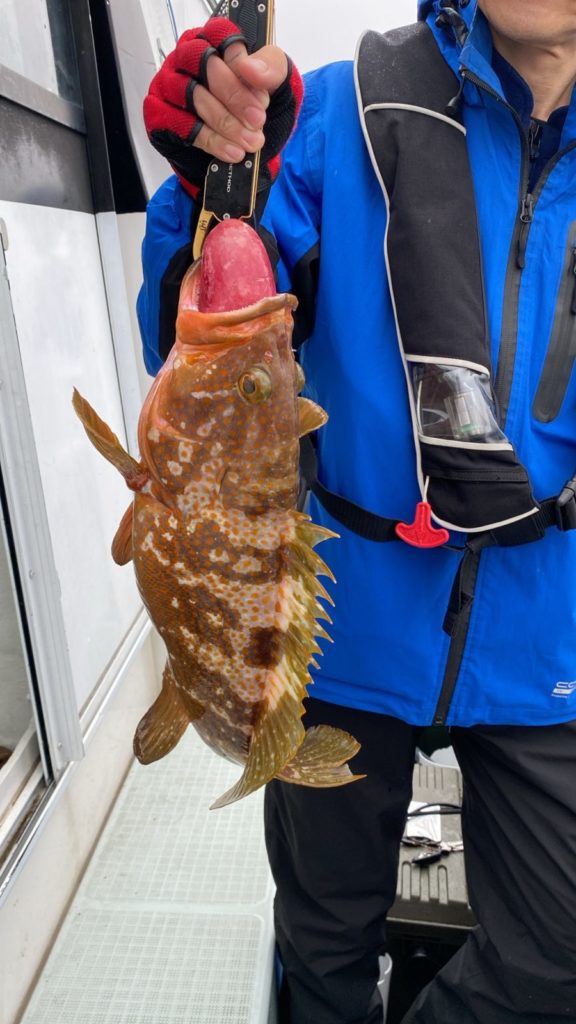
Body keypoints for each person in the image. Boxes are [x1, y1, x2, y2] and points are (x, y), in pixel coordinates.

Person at [137, 1, 576, 1021]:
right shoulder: (336, 113)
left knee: (558, 955)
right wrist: (208, 182)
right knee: (324, 941)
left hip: (548, 641)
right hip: (335, 629)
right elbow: (195, 333)